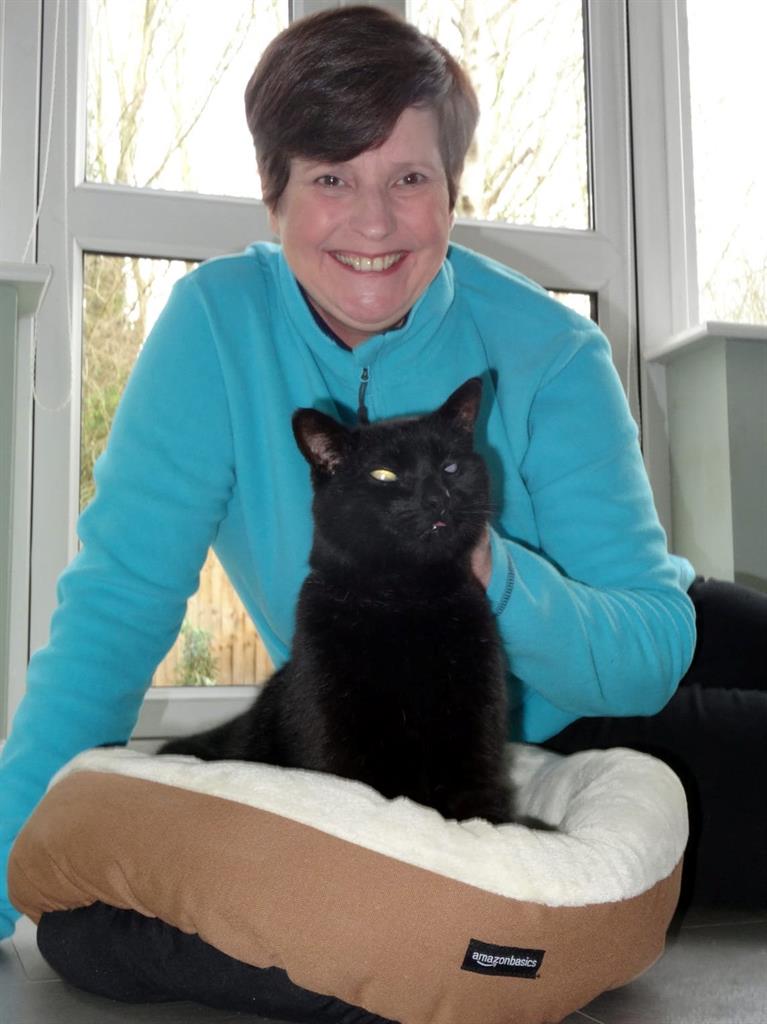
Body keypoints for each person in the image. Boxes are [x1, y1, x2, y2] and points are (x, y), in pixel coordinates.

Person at [1, 5, 764, 941]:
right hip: (516, 727)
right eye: (331, 177)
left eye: (409, 177)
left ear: (451, 193)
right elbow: (114, 613)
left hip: (620, 641)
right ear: (275, 195)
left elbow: (651, 646)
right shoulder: (214, 329)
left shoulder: (553, 347)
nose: (373, 220)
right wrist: (4, 879)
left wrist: (484, 568)